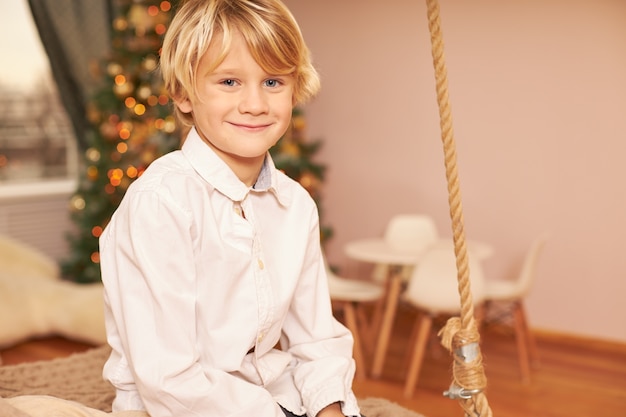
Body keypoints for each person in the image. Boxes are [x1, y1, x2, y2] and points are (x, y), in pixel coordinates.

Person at [99, 1, 362, 416]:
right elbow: (168, 379)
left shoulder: (296, 206)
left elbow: (315, 338)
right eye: (229, 81)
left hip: (272, 395)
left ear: (295, 89)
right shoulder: (161, 204)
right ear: (184, 94)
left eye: (273, 82)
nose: (255, 104)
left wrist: (329, 408)